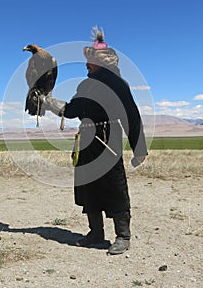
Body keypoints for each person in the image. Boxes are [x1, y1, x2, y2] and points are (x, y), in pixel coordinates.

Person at [42, 27, 148, 255]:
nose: (86, 64)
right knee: (88, 186)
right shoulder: (85, 85)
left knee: (114, 186)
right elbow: (71, 111)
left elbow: (132, 115)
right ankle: (96, 234)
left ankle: (123, 236)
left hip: (108, 141)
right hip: (85, 142)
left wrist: (139, 150)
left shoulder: (119, 85)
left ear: (101, 62)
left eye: (89, 60)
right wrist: (47, 102)